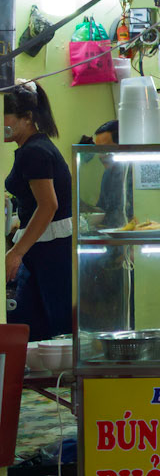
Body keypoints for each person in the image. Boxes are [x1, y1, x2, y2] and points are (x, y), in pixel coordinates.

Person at [5, 82, 74, 341]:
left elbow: (48, 206)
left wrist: (16, 252)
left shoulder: (34, 152)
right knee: (33, 322)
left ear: (28, 118)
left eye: (6, 116)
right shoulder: (33, 148)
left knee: (53, 324)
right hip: (44, 248)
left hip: (50, 251)